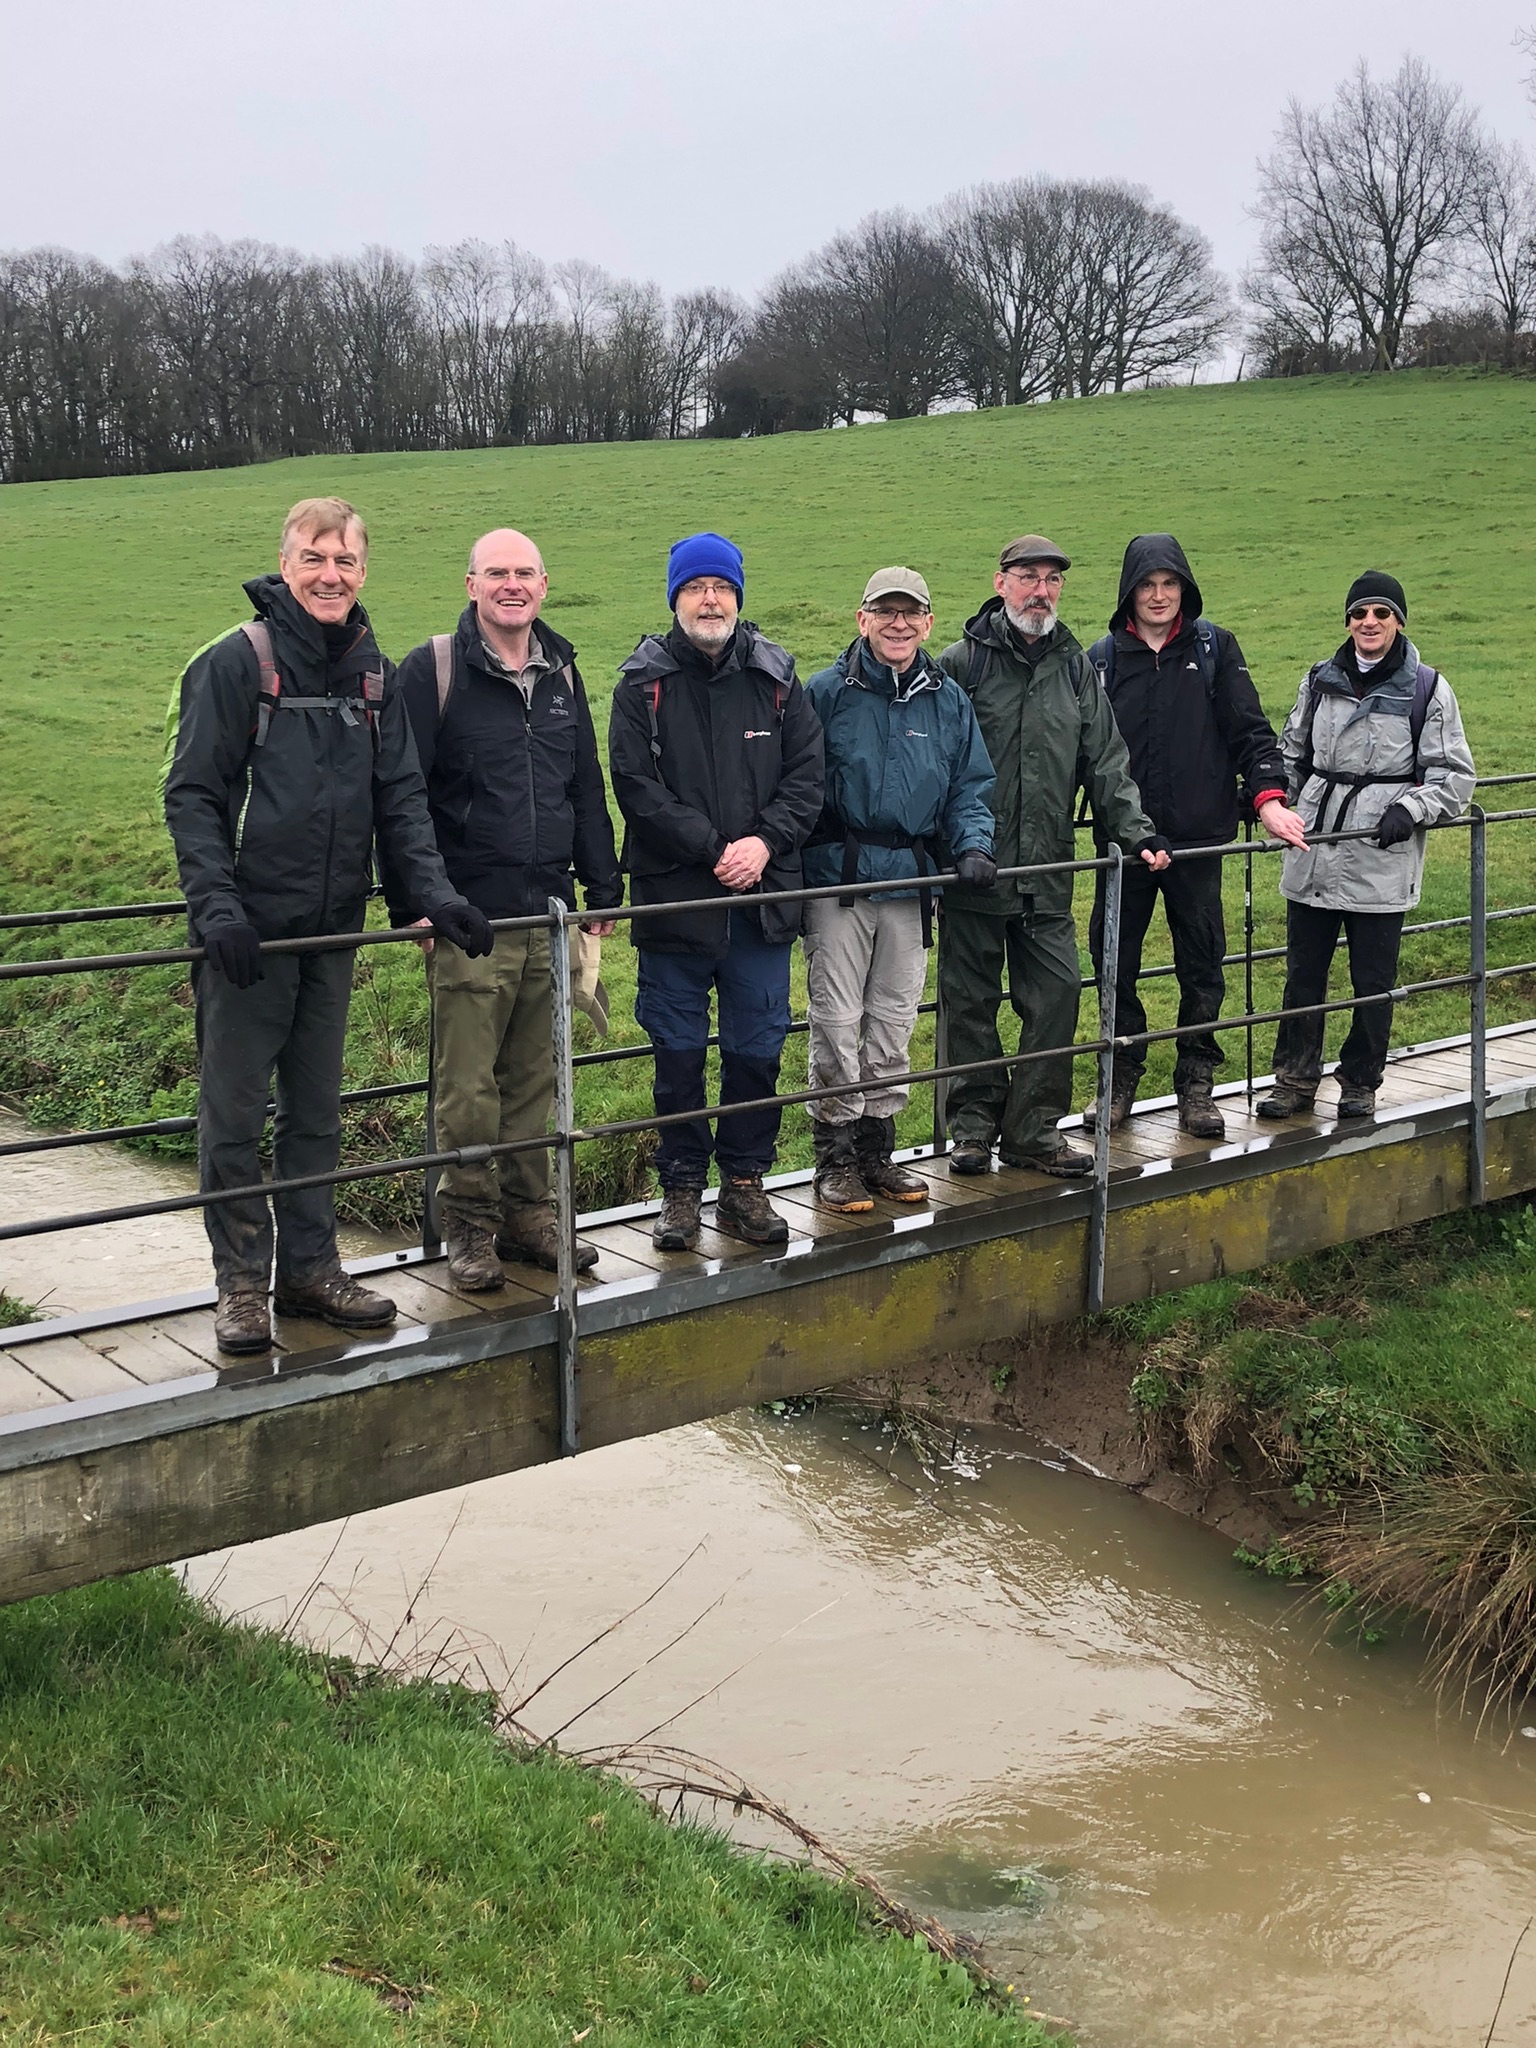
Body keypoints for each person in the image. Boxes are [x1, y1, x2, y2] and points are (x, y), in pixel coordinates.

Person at [164, 497, 493, 1356]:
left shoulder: (372, 672)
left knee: (314, 1113)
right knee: (234, 1115)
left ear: (363, 570)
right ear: (285, 565)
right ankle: (241, 1286)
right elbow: (193, 795)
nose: (329, 574)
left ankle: (309, 1270)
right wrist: (216, 908)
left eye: (344, 560)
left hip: (332, 931)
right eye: (313, 558)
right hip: (248, 937)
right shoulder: (236, 663)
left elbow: (401, 799)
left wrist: (433, 895)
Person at [384, 529, 623, 1289]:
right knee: (467, 1087)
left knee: (535, 1077)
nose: (511, 585)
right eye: (497, 573)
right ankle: (467, 1224)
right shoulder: (432, 670)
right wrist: (417, 902)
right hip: (468, 917)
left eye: (524, 573)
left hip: (548, 910)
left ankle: (529, 1217)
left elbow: (584, 783)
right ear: (471, 584)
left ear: (544, 586)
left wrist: (602, 886)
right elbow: (401, 795)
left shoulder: (564, 671)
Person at [609, 533, 824, 1251]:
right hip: (677, 902)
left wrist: (763, 843)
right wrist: (713, 848)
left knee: (756, 1047)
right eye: (696, 588)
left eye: (722, 588)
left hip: (760, 904)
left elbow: (808, 778)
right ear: (676, 597)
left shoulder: (778, 678)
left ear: (738, 596)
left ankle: (744, 1183)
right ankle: (679, 1188)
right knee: (676, 1050)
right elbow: (634, 786)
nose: (711, 600)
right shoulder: (642, 684)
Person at [935, 535, 1170, 1177]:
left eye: (1052, 580)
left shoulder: (1074, 667)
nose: (1041, 591)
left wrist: (1137, 833)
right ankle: (972, 1130)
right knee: (969, 1004)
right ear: (1001, 583)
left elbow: (1107, 759)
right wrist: (945, 851)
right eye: (1028, 577)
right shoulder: (961, 664)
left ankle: (1033, 1132)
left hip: (1049, 871)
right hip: (974, 870)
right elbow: (936, 763)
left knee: (1059, 995)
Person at [1084, 535, 1307, 1141]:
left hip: (1199, 840)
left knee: (1203, 963)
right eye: (1146, 585)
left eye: (1169, 584)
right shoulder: (1100, 659)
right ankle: (1117, 1079)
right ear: (1129, 592)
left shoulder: (1214, 648)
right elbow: (1082, 752)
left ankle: (1196, 1083)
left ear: (1185, 588)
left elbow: (1250, 730)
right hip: (1123, 845)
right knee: (1113, 963)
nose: (1159, 596)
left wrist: (1268, 799)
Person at [801, 567, 996, 1210]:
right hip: (841, 878)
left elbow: (969, 785)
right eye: (885, 611)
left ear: (928, 623)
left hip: (912, 881)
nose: (898, 624)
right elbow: (797, 782)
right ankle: (834, 1159)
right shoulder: (826, 693)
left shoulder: (948, 701)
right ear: (863, 620)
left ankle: (876, 1153)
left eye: (910, 613)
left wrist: (973, 846)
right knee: (836, 1020)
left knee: (893, 1021)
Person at [1257, 571, 1475, 1121]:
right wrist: (1270, 799)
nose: (1369, 622)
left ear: (1398, 621)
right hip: (1314, 845)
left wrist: (1411, 809)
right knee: (1303, 973)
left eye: (1381, 613)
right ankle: (1294, 1080)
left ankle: (1360, 1081)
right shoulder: (1319, 680)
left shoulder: (1427, 688)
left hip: (1380, 853)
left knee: (1372, 980)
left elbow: (1454, 777)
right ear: (1348, 621)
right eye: (1359, 613)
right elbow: (1292, 753)